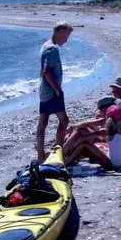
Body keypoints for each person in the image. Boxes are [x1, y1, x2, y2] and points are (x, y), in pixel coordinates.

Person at [36, 22, 73, 162]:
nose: (66, 40)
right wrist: (57, 89)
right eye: (66, 36)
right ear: (60, 32)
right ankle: (59, 151)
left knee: (43, 122)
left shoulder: (45, 45)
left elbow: (43, 70)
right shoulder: (52, 49)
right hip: (52, 91)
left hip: (44, 90)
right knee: (64, 120)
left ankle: (41, 154)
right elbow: (46, 71)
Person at [63, 104, 121, 170]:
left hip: (111, 164)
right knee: (84, 141)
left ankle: (65, 162)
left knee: (84, 144)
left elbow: (87, 131)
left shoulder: (108, 131)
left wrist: (78, 133)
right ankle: (67, 157)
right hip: (113, 159)